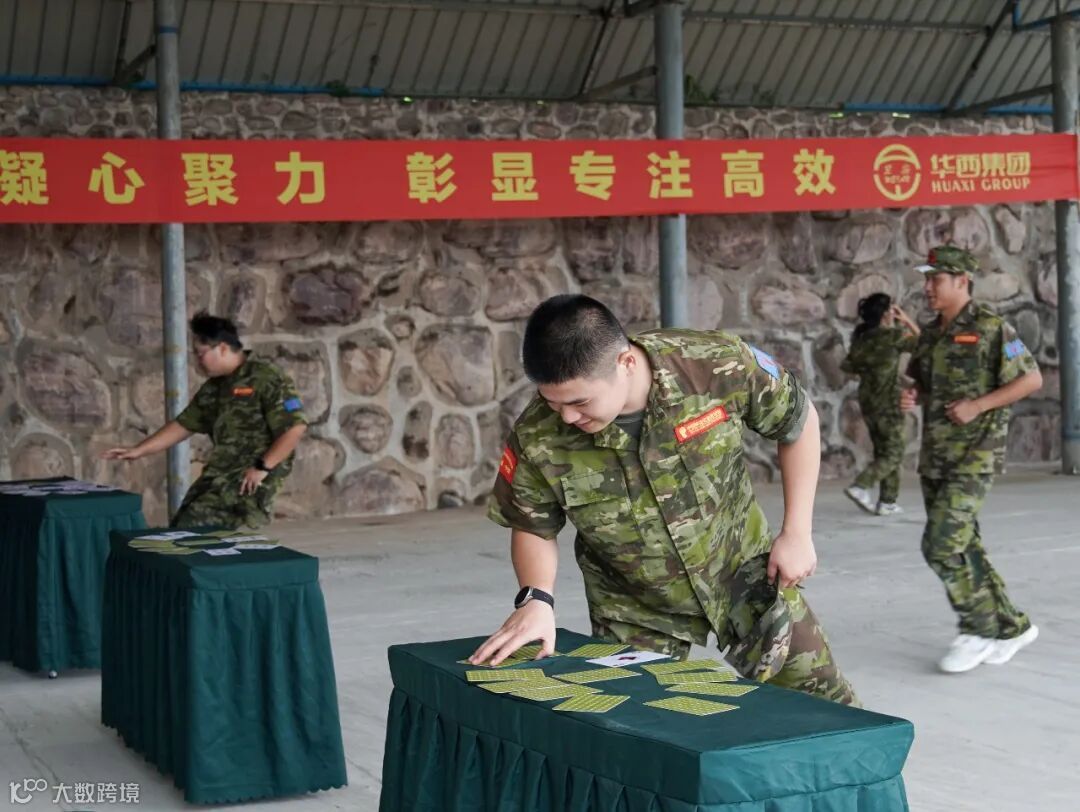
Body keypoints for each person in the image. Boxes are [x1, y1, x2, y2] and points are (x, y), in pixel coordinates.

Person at [470, 294, 858, 705]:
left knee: (831, 710)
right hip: (634, 606)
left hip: (744, 574)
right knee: (633, 725)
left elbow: (798, 419)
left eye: (579, 402)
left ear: (625, 362)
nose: (566, 416)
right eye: (553, 402)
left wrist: (797, 532)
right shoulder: (537, 434)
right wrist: (536, 598)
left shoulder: (712, 364)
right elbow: (532, 524)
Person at [900, 246, 1042, 674]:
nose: (928, 287)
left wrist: (978, 406)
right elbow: (923, 385)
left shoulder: (992, 327)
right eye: (927, 278)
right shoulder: (930, 333)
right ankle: (1012, 627)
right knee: (965, 544)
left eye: (936, 279)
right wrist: (914, 395)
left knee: (941, 544)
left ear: (962, 281)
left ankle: (978, 628)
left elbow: (1031, 379)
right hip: (937, 456)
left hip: (975, 456)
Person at [103, 312, 307, 529]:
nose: (198, 361)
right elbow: (184, 425)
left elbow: (294, 428)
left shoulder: (266, 377)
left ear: (222, 348)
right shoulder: (214, 387)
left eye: (201, 354)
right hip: (220, 472)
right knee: (182, 526)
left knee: (194, 529)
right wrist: (139, 450)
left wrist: (262, 468)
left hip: (249, 478)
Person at [841, 293, 920, 516]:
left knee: (884, 450)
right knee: (894, 452)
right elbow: (925, 343)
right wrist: (907, 321)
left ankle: (888, 501)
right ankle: (861, 485)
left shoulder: (862, 338)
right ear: (887, 313)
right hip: (889, 401)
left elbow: (848, 365)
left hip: (868, 400)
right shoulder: (894, 336)